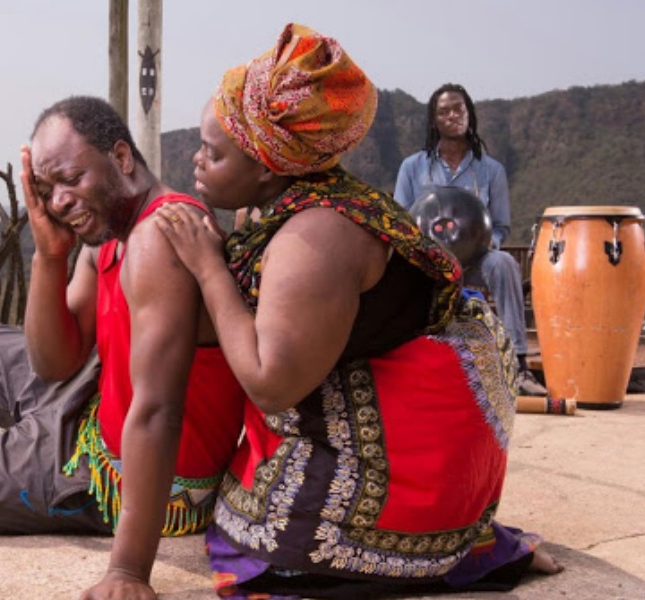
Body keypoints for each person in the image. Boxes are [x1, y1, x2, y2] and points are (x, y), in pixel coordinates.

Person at [153, 23, 562, 599]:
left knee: (268, 540)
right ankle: (458, 535)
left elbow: (271, 384)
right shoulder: (290, 202)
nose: (196, 162)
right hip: (426, 426)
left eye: (212, 153)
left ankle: (423, 544)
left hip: (419, 439)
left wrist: (207, 267)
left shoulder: (312, 236)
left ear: (269, 166)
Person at [0, 95, 246, 600]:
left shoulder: (160, 237)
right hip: (94, 404)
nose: (58, 201)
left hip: (145, 474)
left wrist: (127, 571)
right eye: (46, 188)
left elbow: (157, 412)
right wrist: (48, 256)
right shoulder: (106, 231)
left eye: (71, 179)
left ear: (121, 159)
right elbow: (55, 363)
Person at [394, 83, 547, 397]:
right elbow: (400, 219)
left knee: (504, 263)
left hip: (476, 260)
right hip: (429, 263)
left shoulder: (491, 170)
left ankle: (518, 364)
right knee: (397, 271)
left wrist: (486, 244)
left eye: (459, 109)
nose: (453, 115)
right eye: (444, 111)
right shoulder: (413, 167)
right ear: (434, 121)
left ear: (469, 114)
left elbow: (501, 225)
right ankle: (405, 362)